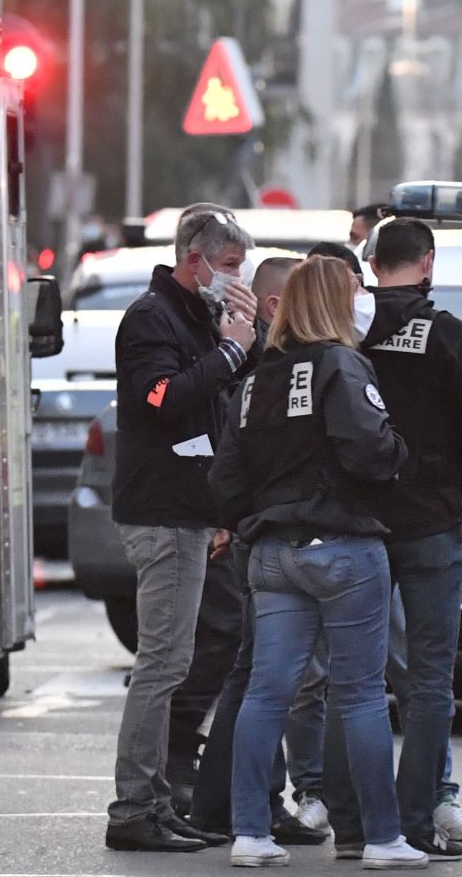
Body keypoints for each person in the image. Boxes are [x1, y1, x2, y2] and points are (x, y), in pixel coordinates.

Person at [208, 254, 424, 870]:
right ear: (333, 304)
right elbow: (369, 450)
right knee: (359, 696)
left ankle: (249, 831)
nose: (363, 297)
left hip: (272, 552)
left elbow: (225, 478)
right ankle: (382, 837)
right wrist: (398, 451)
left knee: (266, 692)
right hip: (344, 549)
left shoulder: (254, 381)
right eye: (353, 289)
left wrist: (258, 515)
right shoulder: (343, 363)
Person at [322, 217, 462, 862]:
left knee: (353, 679)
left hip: (356, 522)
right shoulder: (447, 334)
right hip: (430, 523)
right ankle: (414, 822)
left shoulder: (346, 332)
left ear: (369, 264)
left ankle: (352, 824)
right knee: (429, 683)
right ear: (427, 263)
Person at [105, 207, 259, 853]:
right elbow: (164, 400)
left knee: (175, 660)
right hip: (163, 512)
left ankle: (157, 800)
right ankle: (134, 806)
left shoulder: (192, 315)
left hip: (188, 510)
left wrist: (240, 347)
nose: (234, 280)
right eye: (228, 268)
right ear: (194, 259)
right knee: (162, 664)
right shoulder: (151, 317)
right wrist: (230, 349)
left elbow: (216, 406)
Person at [189, 255, 329, 847]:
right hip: (281, 540)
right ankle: (248, 806)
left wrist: (239, 520)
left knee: (254, 677)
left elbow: (228, 470)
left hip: (256, 535)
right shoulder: (288, 371)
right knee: (266, 681)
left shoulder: (255, 372)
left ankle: (229, 804)